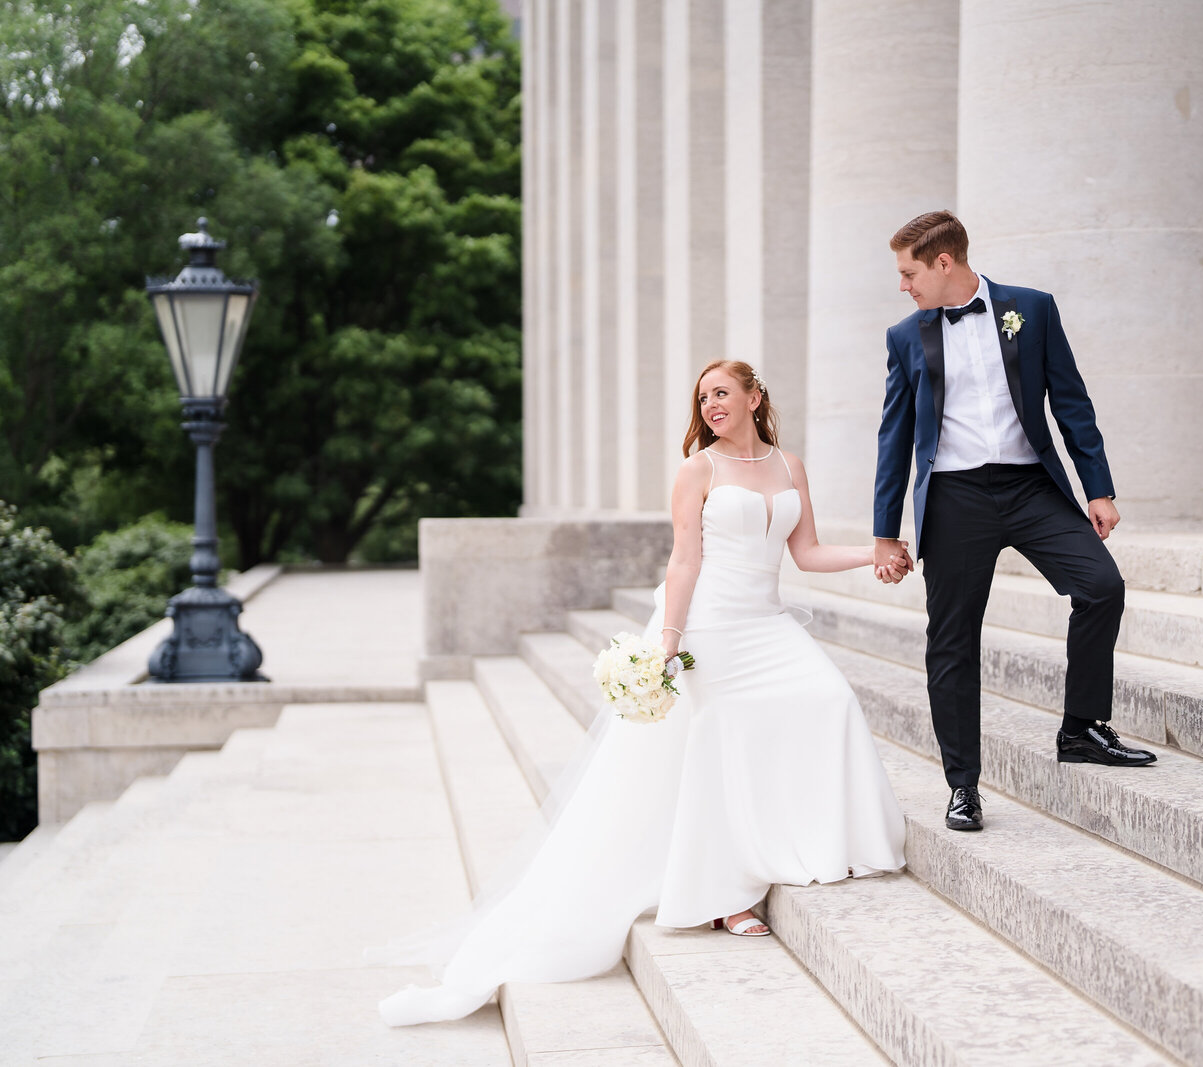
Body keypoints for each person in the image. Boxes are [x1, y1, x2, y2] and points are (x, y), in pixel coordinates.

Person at [377, 360, 906, 1026]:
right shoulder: (699, 470)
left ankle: (818, 836)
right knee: (719, 733)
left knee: (831, 697)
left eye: (722, 392)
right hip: (707, 624)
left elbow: (807, 551)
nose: (712, 404)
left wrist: (877, 553)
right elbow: (684, 559)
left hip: (767, 625)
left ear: (754, 396)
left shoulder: (790, 465)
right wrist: (670, 643)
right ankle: (723, 894)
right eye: (703, 396)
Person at [871, 210, 1156, 835]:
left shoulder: (1031, 309)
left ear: (944, 263)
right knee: (952, 639)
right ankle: (962, 786)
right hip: (952, 498)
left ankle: (1082, 728)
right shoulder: (904, 336)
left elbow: (1071, 401)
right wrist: (885, 530)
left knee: (1101, 586)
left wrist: (1098, 488)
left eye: (909, 272)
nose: (903, 286)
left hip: (1031, 487)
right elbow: (895, 437)